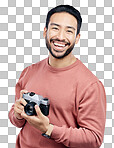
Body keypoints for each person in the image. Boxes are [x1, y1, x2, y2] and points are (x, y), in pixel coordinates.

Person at [9, 5, 106, 148]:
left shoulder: (90, 85)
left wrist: (48, 129)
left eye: (69, 31)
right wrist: (17, 114)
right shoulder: (29, 72)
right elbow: (17, 120)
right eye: (55, 28)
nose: (60, 37)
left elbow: (94, 138)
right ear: (45, 32)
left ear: (77, 38)